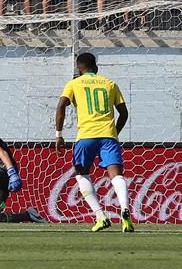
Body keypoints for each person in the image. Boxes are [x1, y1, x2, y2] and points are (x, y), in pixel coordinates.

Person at [55, 52, 133, 232]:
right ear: (96, 68)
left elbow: (60, 106)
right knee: (116, 175)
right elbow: (124, 113)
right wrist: (114, 132)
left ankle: (100, 216)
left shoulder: (74, 84)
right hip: (108, 137)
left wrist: (59, 134)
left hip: (85, 137)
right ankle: (125, 209)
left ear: (78, 69)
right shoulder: (110, 84)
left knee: (82, 174)